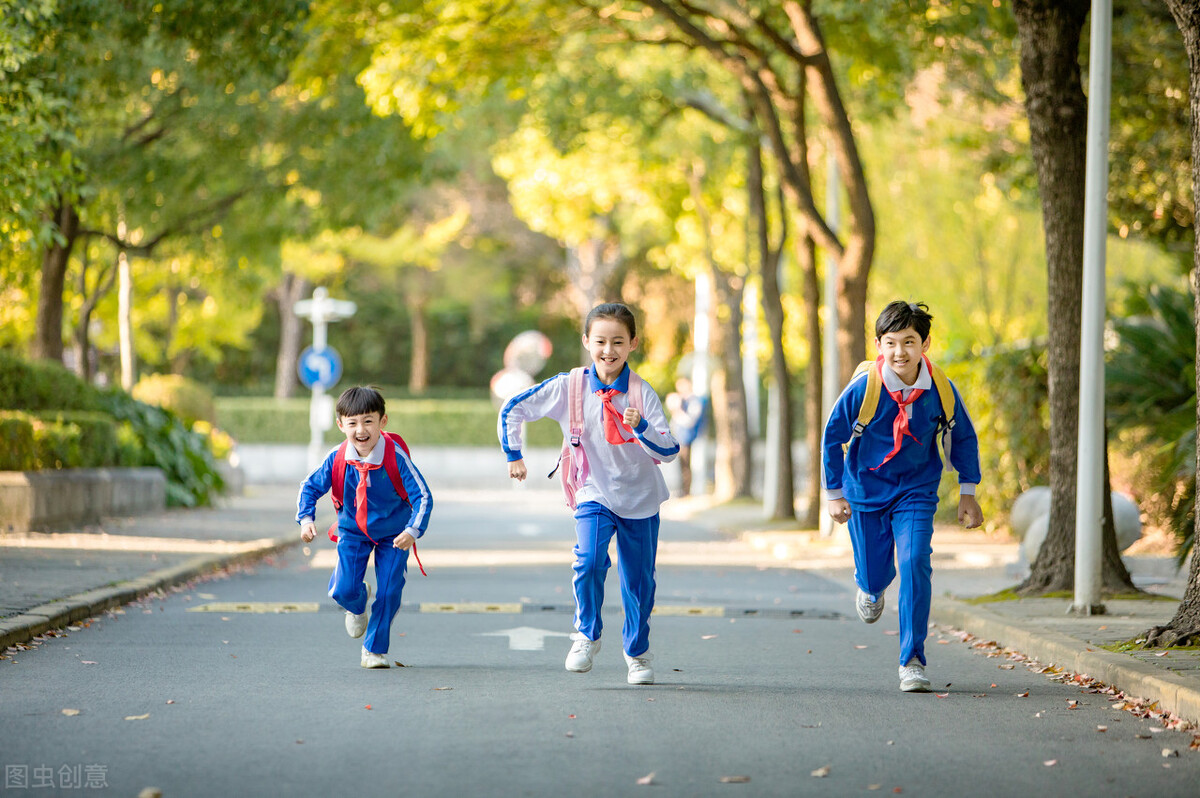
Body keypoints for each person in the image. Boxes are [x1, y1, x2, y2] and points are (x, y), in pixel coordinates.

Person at [498, 302, 679, 685]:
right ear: (586, 342)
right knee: (590, 560)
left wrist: (642, 426)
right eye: (600, 341)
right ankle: (587, 634)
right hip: (592, 491)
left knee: (639, 582)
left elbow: (668, 448)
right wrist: (514, 454)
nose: (608, 351)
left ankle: (637, 653)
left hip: (640, 498)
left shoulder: (641, 393)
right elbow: (514, 408)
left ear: (633, 344)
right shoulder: (570, 386)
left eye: (618, 341)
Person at [822, 301, 983, 693]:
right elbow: (832, 437)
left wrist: (968, 492)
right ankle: (870, 585)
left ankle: (912, 659)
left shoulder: (940, 388)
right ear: (878, 344)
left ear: (925, 344)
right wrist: (833, 493)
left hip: (916, 489)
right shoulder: (865, 387)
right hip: (865, 490)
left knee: (913, 561)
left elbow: (963, 437)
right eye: (891, 343)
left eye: (909, 342)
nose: (900, 352)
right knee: (876, 573)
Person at [297, 386, 433, 669]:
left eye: (368, 421)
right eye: (353, 422)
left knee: (389, 591)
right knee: (344, 590)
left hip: (395, 535)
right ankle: (357, 604)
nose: (361, 429)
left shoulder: (395, 457)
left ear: (383, 422)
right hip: (353, 531)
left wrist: (412, 530)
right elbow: (309, 488)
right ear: (340, 425)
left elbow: (423, 495)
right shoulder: (337, 458)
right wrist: (307, 520)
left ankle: (373, 649)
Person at [665, 376, 708, 496]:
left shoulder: (695, 401)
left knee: (686, 465)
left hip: (689, 438)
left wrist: (677, 410)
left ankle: (686, 491)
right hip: (680, 437)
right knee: (681, 465)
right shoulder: (682, 400)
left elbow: (690, 421)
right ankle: (682, 490)